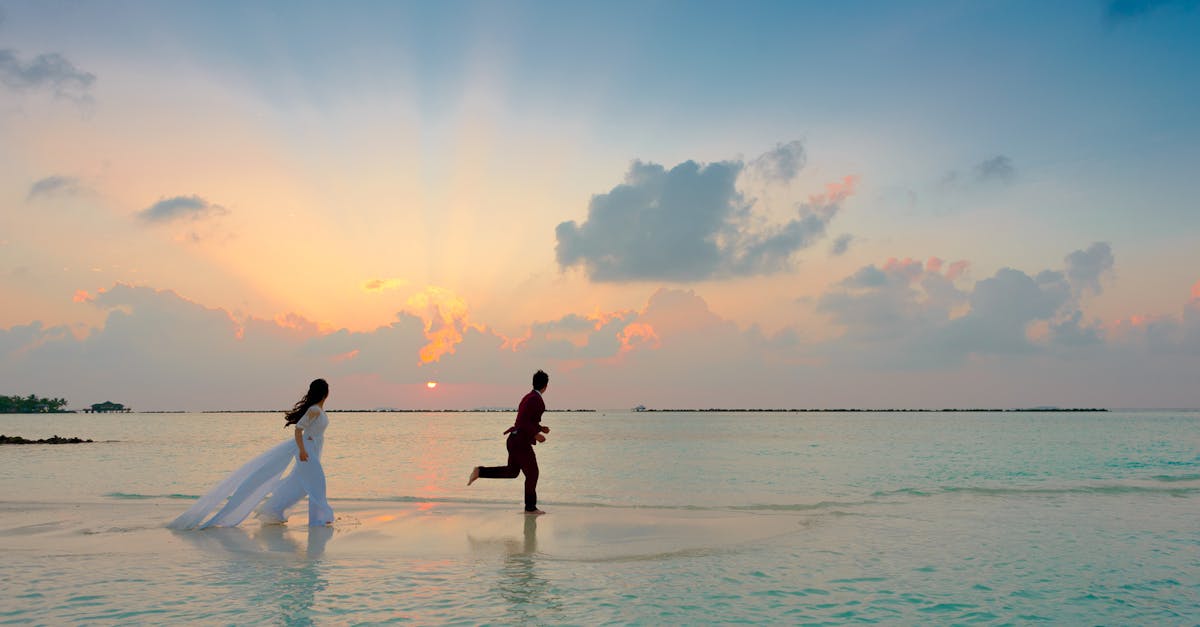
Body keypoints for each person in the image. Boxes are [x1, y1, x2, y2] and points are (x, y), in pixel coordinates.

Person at [168, 379, 335, 529]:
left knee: (298, 485)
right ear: (325, 393)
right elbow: (299, 429)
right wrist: (302, 450)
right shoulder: (313, 410)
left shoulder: (318, 410)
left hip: (312, 449)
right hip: (306, 451)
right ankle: (319, 519)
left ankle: (272, 510)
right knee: (318, 483)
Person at [468, 370, 551, 514]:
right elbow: (524, 421)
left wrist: (540, 428)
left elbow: (525, 420)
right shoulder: (536, 400)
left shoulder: (528, 397)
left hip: (514, 439)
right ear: (546, 386)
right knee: (532, 474)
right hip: (520, 442)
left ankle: (479, 471)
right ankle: (530, 508)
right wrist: (536, 434)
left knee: (512, 472)